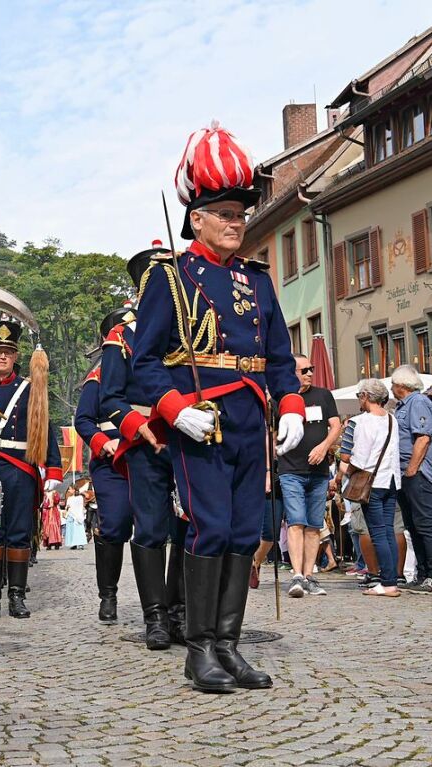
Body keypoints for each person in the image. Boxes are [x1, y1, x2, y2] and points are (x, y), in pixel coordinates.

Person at [133, 123, 304, 693]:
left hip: (252, 419)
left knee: (242, 533)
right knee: (207, 530)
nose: (236, 221)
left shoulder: (257, 281)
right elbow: (146, 360)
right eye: (224, 212)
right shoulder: (171, 277)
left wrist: (293, 406)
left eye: (240, 213)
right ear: (196, 218)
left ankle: (229, 646)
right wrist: (175, 406)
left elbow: (279, 356)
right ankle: (199, 649)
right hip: (201, 420)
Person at [100, 245, 189, 651]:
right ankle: (155, 615)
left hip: (192, 438)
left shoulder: (196, 324)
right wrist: (136, 426)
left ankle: (181, 610)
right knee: (152, 528)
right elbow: (110, 399)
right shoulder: (122, 336)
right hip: (148, 439)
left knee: (191, 527)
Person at [0, 320, 62, 620]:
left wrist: (54, 470)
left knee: (19, 533)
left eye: (8, 351)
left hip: (21, 469)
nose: (2, 357)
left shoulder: (30, 389)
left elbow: (44, 428)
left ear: (16, 356)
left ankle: (16, 595)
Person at [75, 309, 135, 624]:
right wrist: (101, 442)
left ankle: (165, 604)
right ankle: (108, 594)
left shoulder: (145, 370)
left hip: (146, 454)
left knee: (158, 528)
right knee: (116, 524)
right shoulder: (97, 377)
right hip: (112, 461)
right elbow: (83, 419)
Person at [277, 355, 340, 598]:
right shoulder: (281, 398)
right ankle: (296, 575)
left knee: (314, 525)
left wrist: (324, 447)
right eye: (304, 370)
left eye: (311, 369)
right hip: (291, 469)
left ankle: (309, 576)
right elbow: (270, 430)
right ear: (291, 373)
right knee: (296, 522)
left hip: (319, 472)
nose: (310, 374)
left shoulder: (323, 395)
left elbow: (335, 426)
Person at [349, 379, 401, 597]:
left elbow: (360, 458)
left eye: (359, 396)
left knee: (378, 533)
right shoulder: (391, 419)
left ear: (366, 396)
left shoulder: (363, 422)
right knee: (388, 530)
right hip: (391, 479)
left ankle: (388, 582)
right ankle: (392, 579)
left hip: (372, 482)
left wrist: (348, 470)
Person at [391, 365, 432, 593]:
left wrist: (412, 470)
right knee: (413, 525)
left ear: (402, 385)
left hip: (418, 473)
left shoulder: (418, 403)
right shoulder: (401, 406)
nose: (391, 388)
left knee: (425, 523)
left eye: (393, 384)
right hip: (405, 474)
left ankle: (431, 574)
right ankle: (423, 573)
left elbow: (423, 438)